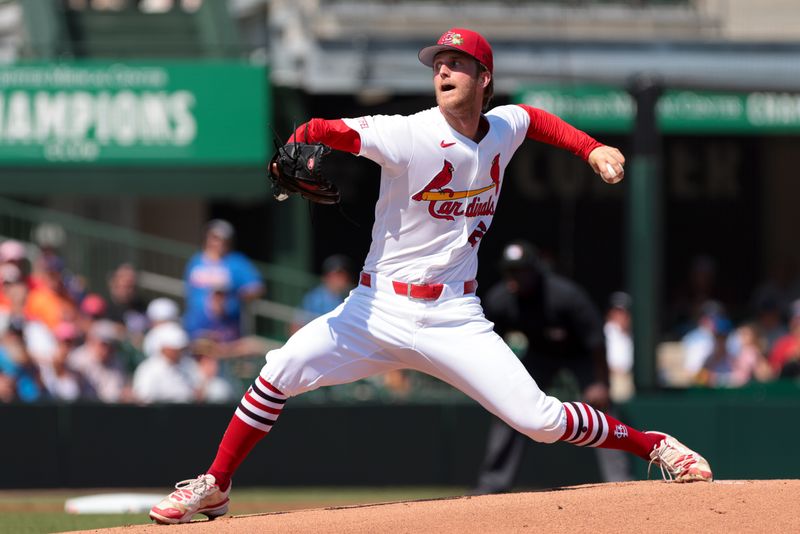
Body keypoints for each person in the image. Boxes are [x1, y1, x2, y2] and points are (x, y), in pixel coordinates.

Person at [149, 28, 712, 525]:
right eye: (437, 64)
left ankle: (656, 445)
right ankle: (216, 485)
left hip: (453, 316)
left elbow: (533, 119)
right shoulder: (410, 133)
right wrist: (300, 142)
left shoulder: (502, 128)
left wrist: (590, 149)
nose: (442, 70)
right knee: (279, 368)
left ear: (483, 78)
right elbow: (323, 126)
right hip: (375, 311)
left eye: (456, 63)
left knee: (538, 420)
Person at [471, 241, 629, 495]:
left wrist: (602, 383)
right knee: (510, 406)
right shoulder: (502, 299)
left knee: (601, 406)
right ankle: (493, 484)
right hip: (540, 355)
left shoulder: (564, 294)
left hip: (580, 355)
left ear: (534, 270)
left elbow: (596, 341)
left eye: (520, 271)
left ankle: (620, 480)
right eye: (509, 271)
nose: (513, 278)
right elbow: (487, 342)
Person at [183, 219, 264, 342]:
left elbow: (256, 287)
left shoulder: (237, 262)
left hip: (227, 329)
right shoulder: (195, 261)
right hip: (196, 328)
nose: (217, 242)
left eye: (221, 239)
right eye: (214, 237)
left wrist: (233, 297)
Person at [290, 254, 355, 334]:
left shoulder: (350, 298)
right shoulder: (315, 298)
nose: (340, 280)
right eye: (336, 275)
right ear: (327, 276)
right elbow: (295, 325)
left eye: (343, 275)